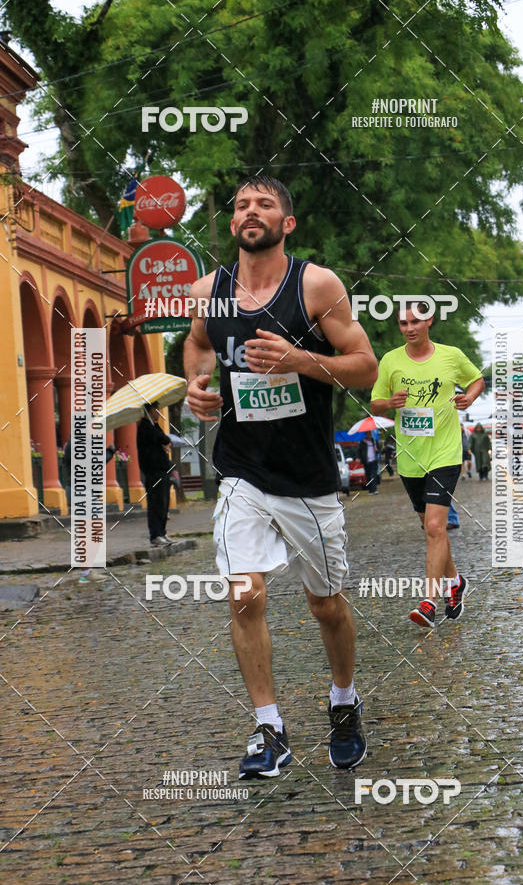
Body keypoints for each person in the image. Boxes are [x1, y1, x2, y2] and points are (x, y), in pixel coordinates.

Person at [184, 175, 378, 778]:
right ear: (233, 221)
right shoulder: (208, 291)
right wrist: (196, 384)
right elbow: (197, 344)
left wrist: (300, 360)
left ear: (286, 223)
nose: (251, 211)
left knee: (325, 604)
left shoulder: (316, 285)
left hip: (308, 478)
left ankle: (343, 701)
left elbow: (365, 367)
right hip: (242, 471)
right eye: (242, 204)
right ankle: (269, 728)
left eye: (265, 204)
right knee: (245, 595)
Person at [370, 301, 484, 628]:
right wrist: (389, 403)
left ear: (429, 321)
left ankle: (428, 602)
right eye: (403, 323)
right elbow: (375, 403)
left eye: (415, 322)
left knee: (435, 527)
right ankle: (455, 581)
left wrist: (470, 397)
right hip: (410, 457)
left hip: (445, 453)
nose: (409, 328)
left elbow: (477, 379)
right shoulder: (391, 360)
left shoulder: (451, 356)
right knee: (431, 529)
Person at [136, 402, 173, 547]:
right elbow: (164, 439)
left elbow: (163, 438)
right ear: (150, 411)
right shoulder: (145, 427)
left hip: (162, 470)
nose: (158, 413)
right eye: (156, 410)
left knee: (163, 503)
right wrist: (163, 441)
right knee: (156, 503)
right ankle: (156, 534)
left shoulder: (153, 426)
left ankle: (162, 532)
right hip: (153, 471)